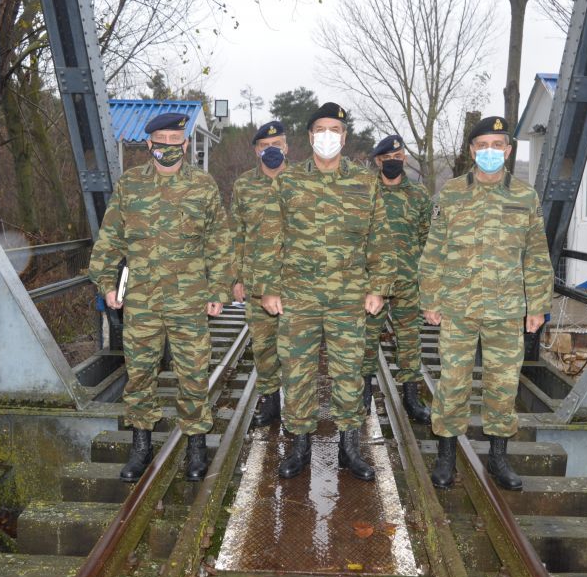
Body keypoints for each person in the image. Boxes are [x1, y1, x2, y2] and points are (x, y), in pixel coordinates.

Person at [88, 112, 233, 483]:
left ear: (185, 144)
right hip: (142, 300)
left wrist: (218, 289)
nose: (168, 147)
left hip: (189, 299)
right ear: (149, 144)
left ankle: (196, 444)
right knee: (139, 374)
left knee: (194, 374)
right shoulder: (131, 184)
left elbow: (218, 241)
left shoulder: (203, 185)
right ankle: (141, 445)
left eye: (175, 141)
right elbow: (110, 239)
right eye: (161, 141)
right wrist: (106, 283)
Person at [261, 102, 394, 482]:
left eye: (334, 130)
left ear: (345, 137)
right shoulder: (287, 182)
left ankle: (348, 447)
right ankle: (299, 445)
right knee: (297, 371)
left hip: (348, 297)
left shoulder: (365, 182)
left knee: (349, 372)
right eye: (320, 129)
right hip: (298, 295)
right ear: (309, 136)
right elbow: (270, 238)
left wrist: (379, 288)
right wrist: (268, 288)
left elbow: (379, 239)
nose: (327, 136)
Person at [420, 116, 552, 491]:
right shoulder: (451, 193)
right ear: (472, 151)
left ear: (508, 151)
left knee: (502, 385)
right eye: (482, 146)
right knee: (453, 382)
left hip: (506, 310)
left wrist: (537, 305)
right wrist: (430, 298)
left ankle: (498, 458)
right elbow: (434, 250)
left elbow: (537, 255)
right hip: (457, 307)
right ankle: (446, 456)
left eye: (497, 145)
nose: (489, 151)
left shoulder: (525, 197)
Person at [359, 135, 431, 423]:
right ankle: (363, 392)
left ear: (405, 159)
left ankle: (411, 396)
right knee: (366, 337)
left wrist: (423, 274)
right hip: (373, 282)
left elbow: (427, 237)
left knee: (410, 337)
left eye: (398, 156)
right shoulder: (365, 191)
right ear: (378, 161)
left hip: (407, 280)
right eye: (387, 158)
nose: (393, 161)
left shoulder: (419, 194)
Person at [231, 120, 288, 428]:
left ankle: (299, 405)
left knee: (298, 348)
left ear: (287, 147)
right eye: (265, 146)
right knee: (263, 344)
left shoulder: (302, 181)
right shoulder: (244, 185)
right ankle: (271, 401)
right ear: (256, 151)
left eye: (277, 144)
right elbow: (237, 234)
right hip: (256, 282)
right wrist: (237, 278)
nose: (271, 150)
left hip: (297, 280)